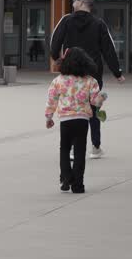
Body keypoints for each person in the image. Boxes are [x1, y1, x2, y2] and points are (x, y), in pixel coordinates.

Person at [48, 0, 125, 159]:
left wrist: (57, 59)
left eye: (74, 0)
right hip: (93, 75)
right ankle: (95, 146)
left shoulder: (66, 20)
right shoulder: (99, 24)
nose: (72, 2)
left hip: (70, 74)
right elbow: (108, 49)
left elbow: (54, 43)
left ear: (82, 3)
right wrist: (117, 73)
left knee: (71, 109)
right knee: (94, 109)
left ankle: (71, 148)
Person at [46, 47, 107, 194]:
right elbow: (95, 102)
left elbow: (52, 99)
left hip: (66, 120)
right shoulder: (90, 81)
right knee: (80, 151)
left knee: (64, 149)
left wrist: (49, 116)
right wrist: (102, 97)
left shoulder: (58, 80)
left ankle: (66, 178)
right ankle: (78, 184)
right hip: (82, 120)